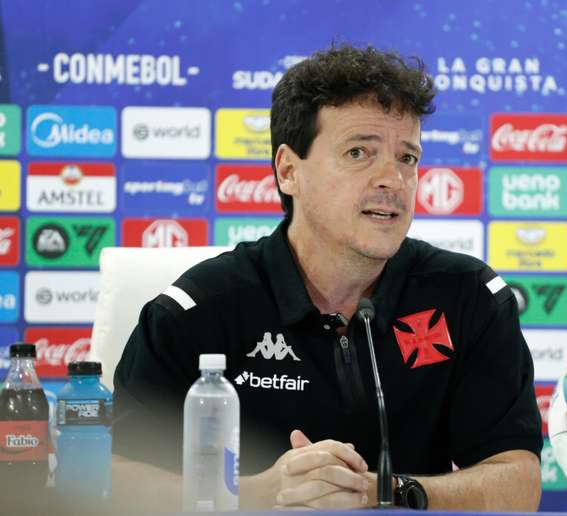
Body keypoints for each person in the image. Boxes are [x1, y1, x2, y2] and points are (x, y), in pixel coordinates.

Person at [112, 44, 542, 511]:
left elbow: (518, 482)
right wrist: (263, 492)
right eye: (359, 152)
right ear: (288, 171)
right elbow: (118, 481)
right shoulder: (201, 308)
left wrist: (390, 490)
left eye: (407, 158)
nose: (393, 180)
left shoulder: (466, 297)